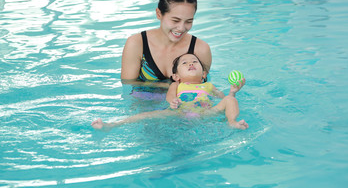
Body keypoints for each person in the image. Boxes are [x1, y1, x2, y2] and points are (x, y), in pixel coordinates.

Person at [91, 53, 248, 131]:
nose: (191, 64)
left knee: (231, 100)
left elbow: (223, 99)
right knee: (146, 115)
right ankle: (111, 125)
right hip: (179, 111)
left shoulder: (209, 86)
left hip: (205, 112)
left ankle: (232, 122)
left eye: (195, 62)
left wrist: (232, 92)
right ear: (176, 76)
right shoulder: (177, 85)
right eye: (185, 63)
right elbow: (170, 96)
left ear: (204, 74)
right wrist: (172, 102)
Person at [121, 0, 212, 85]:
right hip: (143, 101)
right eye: (175, 20)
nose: (181, 28)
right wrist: (169, 87)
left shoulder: (200, 49)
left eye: (188, 21)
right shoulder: (137, 44)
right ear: (159, 14)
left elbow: (204, 89)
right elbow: (128, 84)